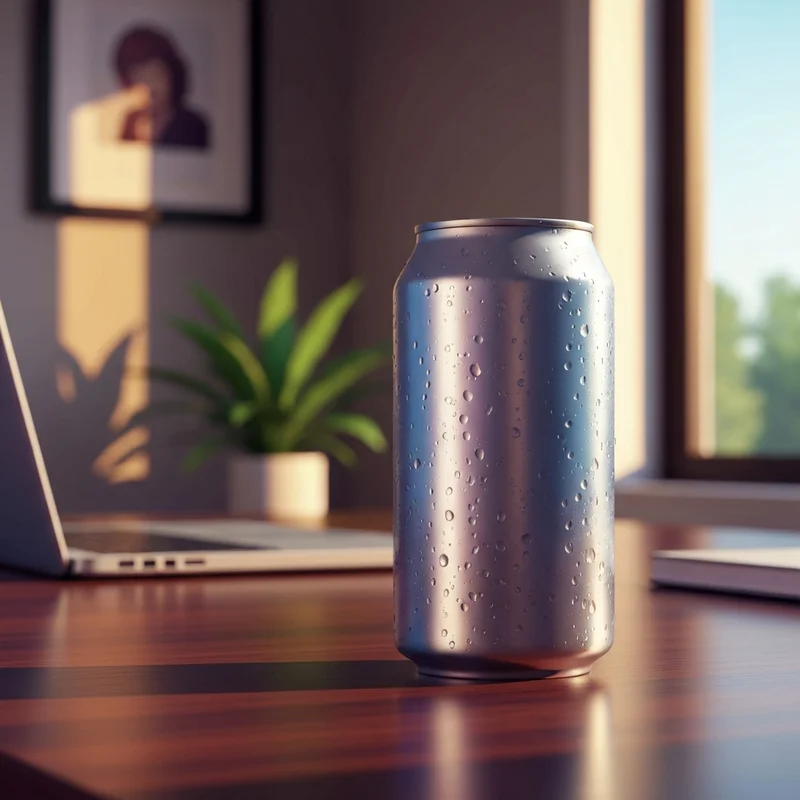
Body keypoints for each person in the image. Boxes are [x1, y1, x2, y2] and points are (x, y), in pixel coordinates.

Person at [113, 25, 211, 150]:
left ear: (172, 75)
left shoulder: (193, 125)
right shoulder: (128, 124)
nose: (151, 86)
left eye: (156, 75)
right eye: (140, 77)